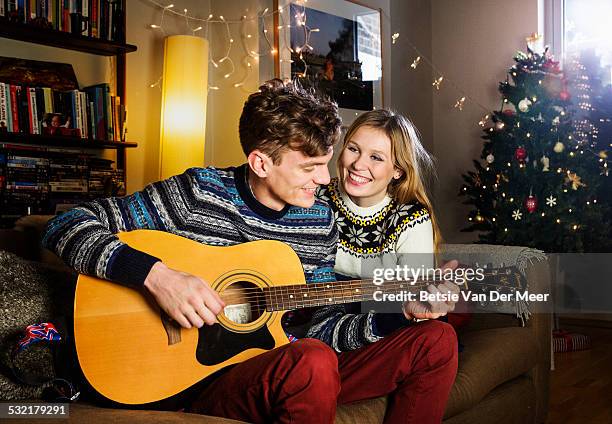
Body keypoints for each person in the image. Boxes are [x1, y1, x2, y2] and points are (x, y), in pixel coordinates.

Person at [42, 81, 455, 423]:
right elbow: (65, 224)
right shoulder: (199, 193)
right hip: (198, 379)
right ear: (261, 163)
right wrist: (158, 277)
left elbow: (320, 332)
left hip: (277, 364)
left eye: (326, 163)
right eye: (309, 168)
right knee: (310, 361)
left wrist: (397, 316)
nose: (327, 179)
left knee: (435, 339)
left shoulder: (318, 220)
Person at [312, 109, 460, 423]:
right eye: (353, 148)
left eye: (376, 158)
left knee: (439, 334)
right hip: (313, 333)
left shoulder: (411, 217)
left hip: (373, 331)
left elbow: (408, 306)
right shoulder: (313, 196)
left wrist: (419, 303)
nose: (358, 165)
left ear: (398, 171)